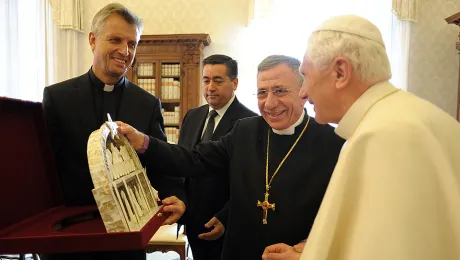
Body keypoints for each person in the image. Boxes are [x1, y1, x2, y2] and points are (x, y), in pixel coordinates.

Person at [263, 15, 460, 260]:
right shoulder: (413, 115)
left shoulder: (382, 135)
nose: (303, 91)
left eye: (306, 76)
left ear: (340, 72)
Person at [117, 55, 345, 259]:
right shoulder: (245, 130)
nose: (270, 103)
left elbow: (342, 212)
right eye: (262, 92)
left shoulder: (333, 142)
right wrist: (143, 142)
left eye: (280, 91)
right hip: (239, 250)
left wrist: (303, 249)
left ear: (303, 92)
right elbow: (195, 158)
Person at [42, 3, 185, 260]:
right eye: (115, 40)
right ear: (93, 40)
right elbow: (45, 171)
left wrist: (177, 197)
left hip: (126, 240)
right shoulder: (57, 97)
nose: (125, 51)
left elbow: (161, 162)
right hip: (70, 235)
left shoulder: (148, 103)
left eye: (132, 43)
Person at [178, 54, 257, 259]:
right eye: (206, 80)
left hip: (227, 226)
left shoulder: (250, 122)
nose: (210, 87)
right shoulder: (193, 116)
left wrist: (226, 217)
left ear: (235, 83)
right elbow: (183, 164)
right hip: (193, 222)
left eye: (218, 80)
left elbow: (250, 182)